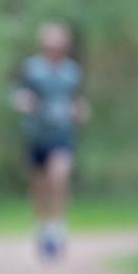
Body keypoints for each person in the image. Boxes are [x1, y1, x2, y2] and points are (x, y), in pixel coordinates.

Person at [11, 23, 90, 259]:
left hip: (62, 135)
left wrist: (80, 111)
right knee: (40, 185)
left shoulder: (72, 72)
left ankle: (58, 226)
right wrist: (23, 101)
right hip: (36, 134)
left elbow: (77, 101)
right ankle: (42, 226)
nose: (55, 48)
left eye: (59, 44)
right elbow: (18, 93)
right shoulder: (31, 68)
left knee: (59, 175)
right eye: (51, 44)